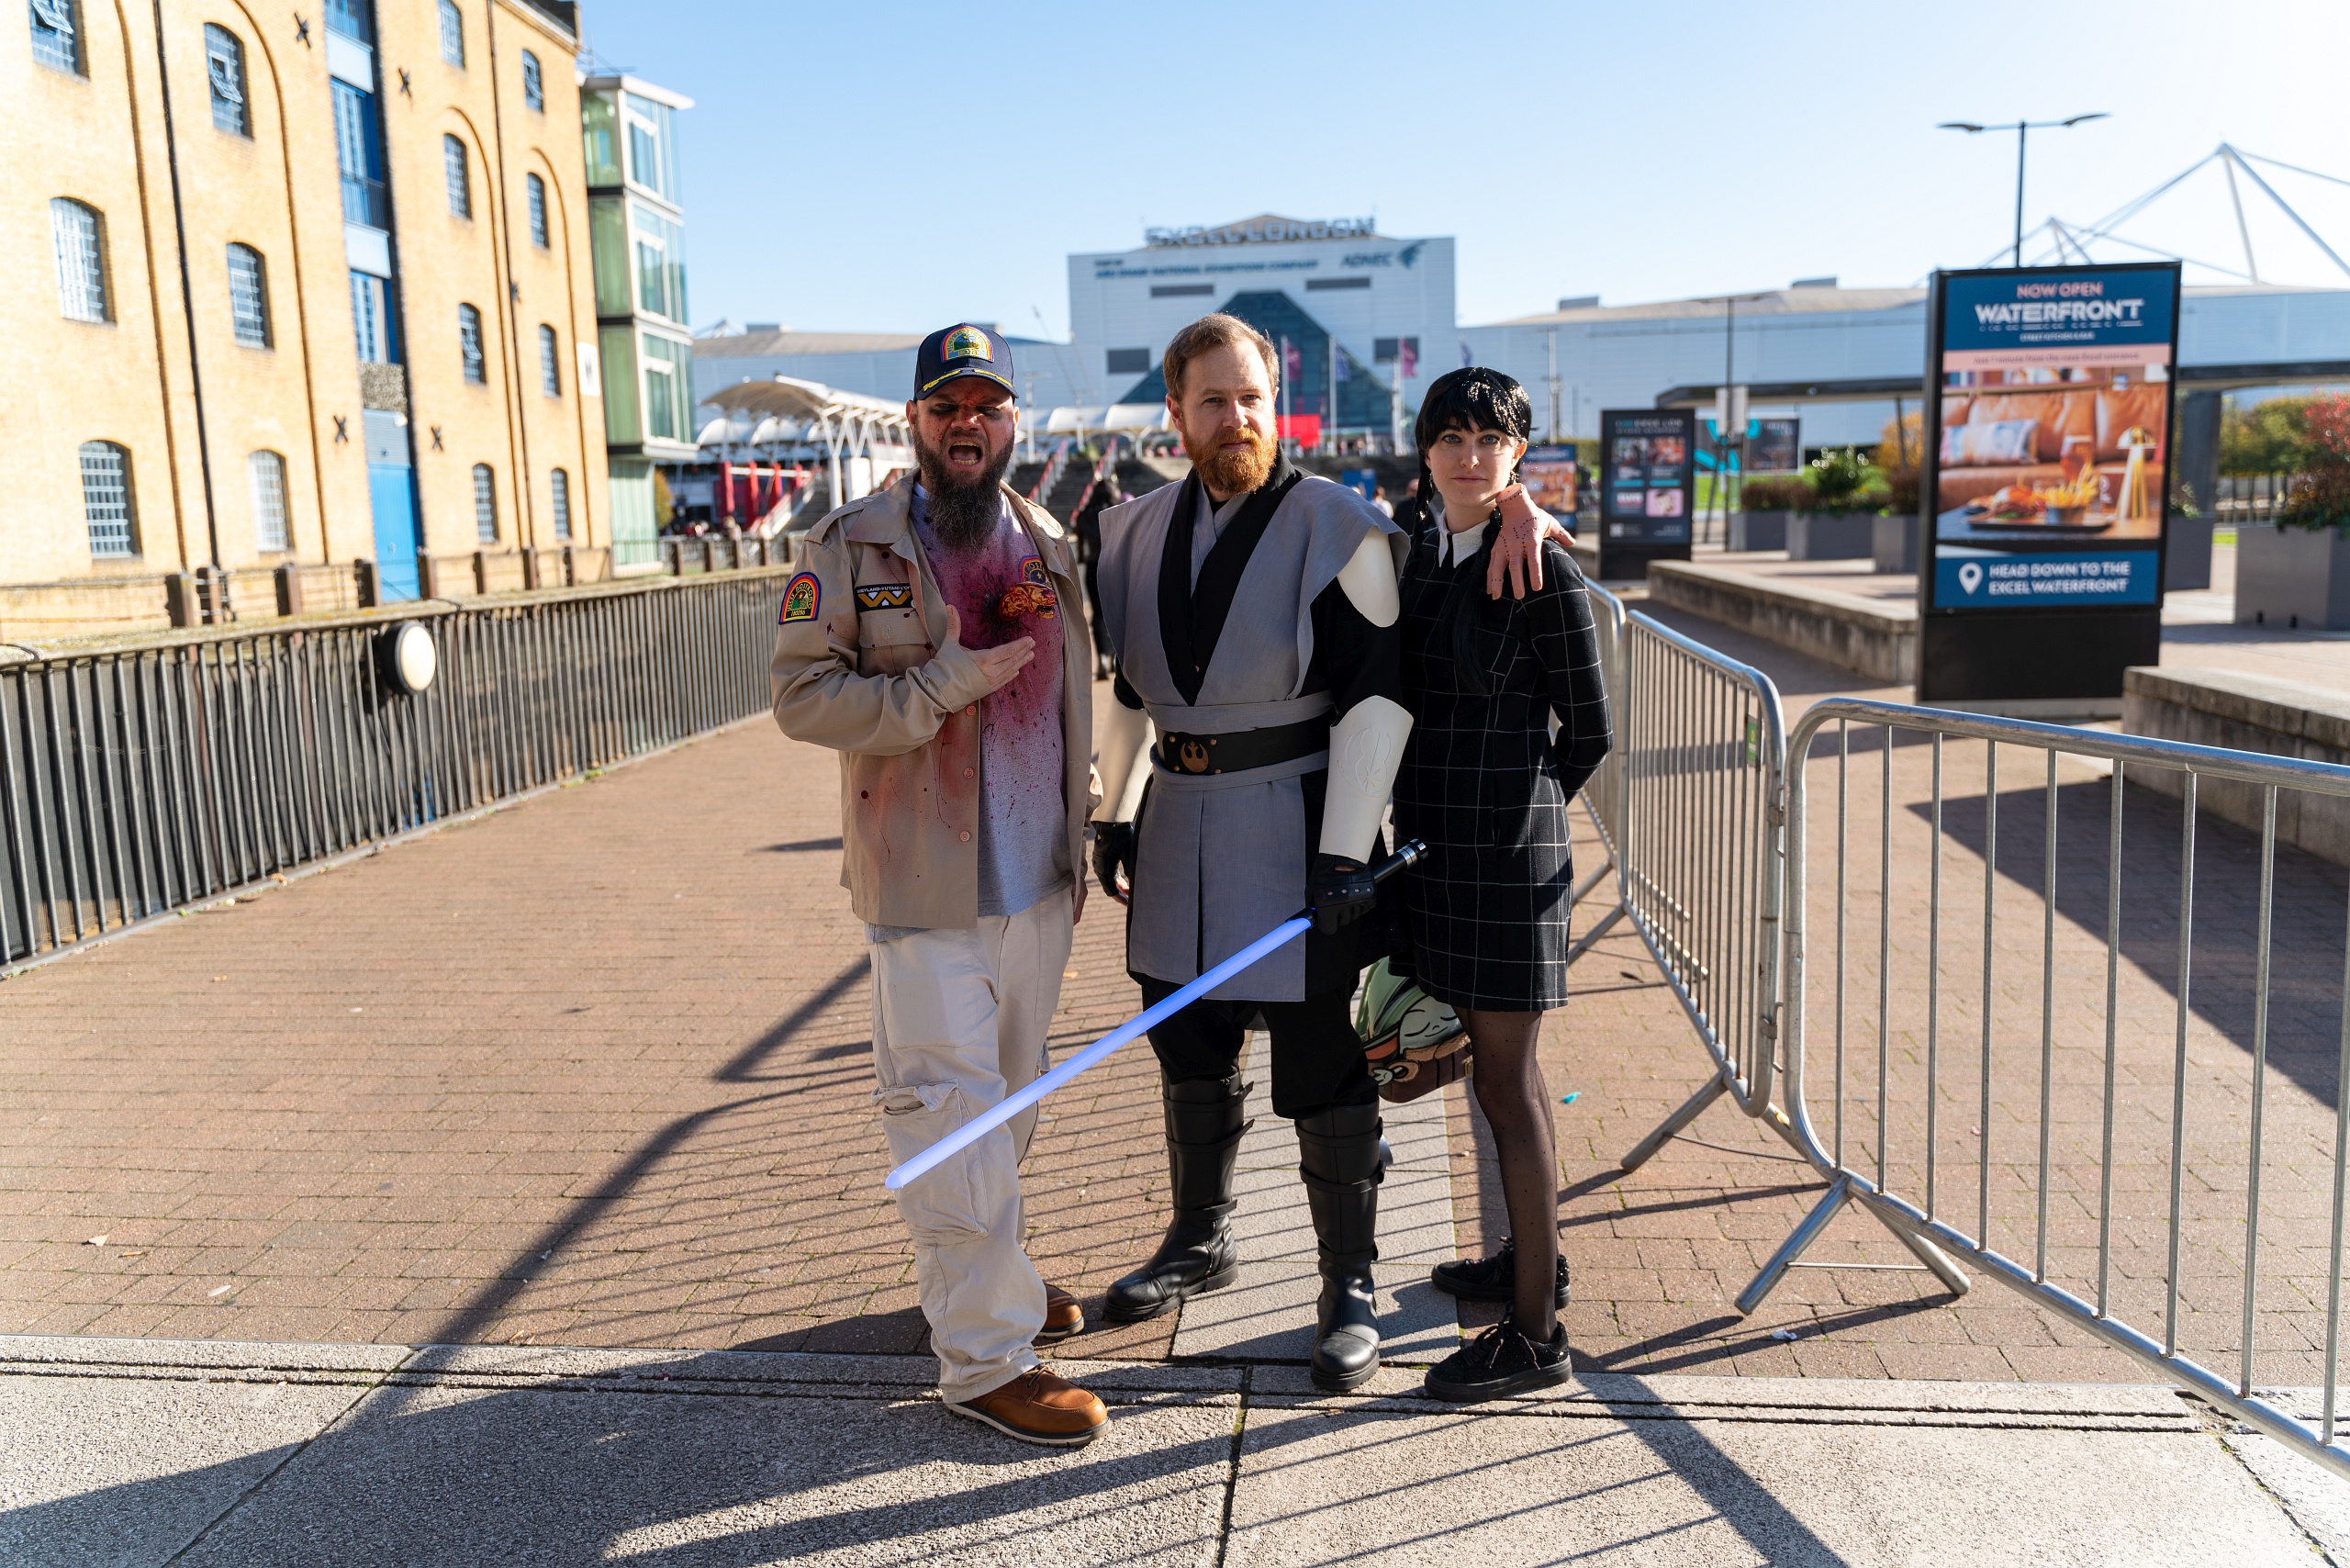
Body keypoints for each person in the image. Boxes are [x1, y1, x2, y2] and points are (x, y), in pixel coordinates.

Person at [1088, 315, 1562, 1392]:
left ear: (1278, 404)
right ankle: (1199, 1238)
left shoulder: (1337, 525)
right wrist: (1114, 809)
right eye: (1212, 400)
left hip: (1296, 820)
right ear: (1176, 414)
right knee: (1188, 1040)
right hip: (1176, 817)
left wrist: (1346, 852)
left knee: (1322, 1061)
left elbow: (1374, 695)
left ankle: (1347, 1280)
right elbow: (1125, 690)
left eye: (1251, 397)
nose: (1235, 417)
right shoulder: (1128, 532)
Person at [769, 323, 1106, 1447]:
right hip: (922, 883)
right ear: (914, 420)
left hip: (1038, 881)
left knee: (1009, 1103)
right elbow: (801, 699)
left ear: (1013, 423)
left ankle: (989, 1279)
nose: (968, 424)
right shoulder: (851, 544)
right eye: (946, 406)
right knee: (949, 1113)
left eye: (987, 406)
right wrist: (939, 685)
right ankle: (985, 1359)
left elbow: (1073, 695)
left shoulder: (1047, 540)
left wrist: (1086, 816)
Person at [1390, 368, 1612, 1402]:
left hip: (1506, 861)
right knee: (1494, 1077)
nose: (1470, 455)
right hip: (1437, 854)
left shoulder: (1542, 567)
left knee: (1508, 1087)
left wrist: (1520, 810)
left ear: (1519, 452)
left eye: (1492, 439)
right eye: (1452, 436)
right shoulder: (1425, 549)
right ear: (1426, 450)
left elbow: (1590, 730)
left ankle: (1534, 1335)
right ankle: (1532, 1260)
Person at [1071, 464, 1124, 679]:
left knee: (1098, 613)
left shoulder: (1084, 515)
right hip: (1116, 566)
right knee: (1118, 612)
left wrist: (1082, 559)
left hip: (1093, 566)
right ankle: (1115, 658)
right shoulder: (1118, 512)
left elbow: (1080, 547)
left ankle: (1101, 656)